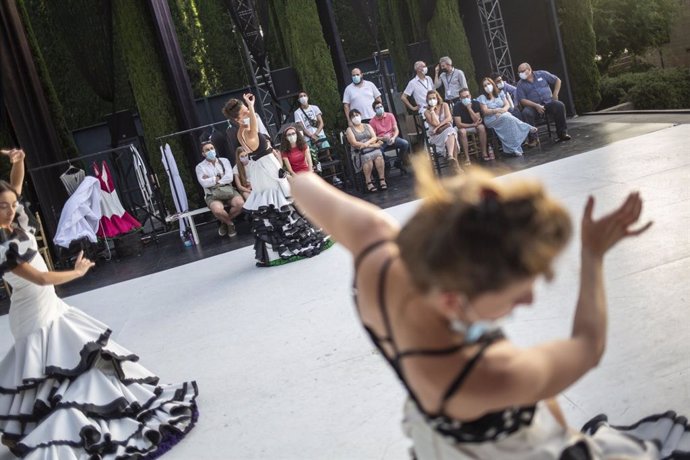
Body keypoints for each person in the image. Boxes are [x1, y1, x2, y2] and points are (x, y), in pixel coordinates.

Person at [287, 155, 690, 460]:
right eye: (517, 295)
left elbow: (303, 183)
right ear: (453, 299)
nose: (529, 300)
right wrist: (593, 254)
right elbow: (588, 345)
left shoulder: (379, 250)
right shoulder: (487, 374)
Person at [0, 148, 198, 457]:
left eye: (12, 205)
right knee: (52, 367)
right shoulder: (2, 245)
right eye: (3, 207)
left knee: (65, 364)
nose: (10, 210)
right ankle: (46, 427)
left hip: (49, 306)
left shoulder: (12, 221)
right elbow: (39, 278)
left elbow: (15, 187)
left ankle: (40, 424)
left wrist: (20, 161)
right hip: (32, 313)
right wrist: (76, 272)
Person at [223, 94, 332, 266]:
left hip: (266, 166)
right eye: (244, 110)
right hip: (266, 169)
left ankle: (288, 242)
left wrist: (249, 108)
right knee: (278, 204)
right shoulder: (244, 131)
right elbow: (254, 126)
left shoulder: (242, 130)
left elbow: (254, 124)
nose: (249, 111)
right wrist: (251, 106)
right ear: (238, 117)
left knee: (282, 202)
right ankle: (289, 245)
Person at [477, 77, 536, 156]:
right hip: (491, 119)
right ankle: (527, 127)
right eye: (485, 85)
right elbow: (485, 111)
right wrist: (496, 111)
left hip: (503, 115)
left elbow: (507, 105)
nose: (487, 86)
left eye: (488, 84)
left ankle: (514, 149)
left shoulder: (500, 93)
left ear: (492, 84)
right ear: (483, 88)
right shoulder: (482, 97)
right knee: (507, 116)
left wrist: (502, 111)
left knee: (508, 122)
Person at [195, 141, 243, 237]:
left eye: (212, 148)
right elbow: (203, 183)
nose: (210, 151)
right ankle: (230, 224)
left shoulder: (224, 161)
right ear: (203, 154)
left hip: (228, 189)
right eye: (207, 150)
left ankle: (224, 223)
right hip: (212, 193)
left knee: (240, 204)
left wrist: (214, 180)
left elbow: (229, 177)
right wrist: (218, 177)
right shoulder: (200, 167)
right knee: (217, 210)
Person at [515, 62, 571, 142]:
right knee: (526, 112)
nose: (521, 73)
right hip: (533, 107)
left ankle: (562, 133)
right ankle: (533, 139)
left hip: (548, 103)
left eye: (522, 71)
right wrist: (536, 106)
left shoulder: (542, 74)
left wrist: (555, 94)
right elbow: (522, 100)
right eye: (519, 72)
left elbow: (557, 80)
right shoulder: (520, 84)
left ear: (529, 69)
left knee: (559, 105)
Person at [345, 109, 386, 193]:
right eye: (353, 116)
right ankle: (368, 182)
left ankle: (382, 179)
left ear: (360, 115)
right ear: (351, 119)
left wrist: (367, 144)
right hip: (359, 151)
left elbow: (374, 137)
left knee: (378, 155)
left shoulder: (367, 125)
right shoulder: (349, 130)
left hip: (371, 147)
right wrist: (370, 145)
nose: (356, 117)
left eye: (357, 115)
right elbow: (354, 143)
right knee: (367, 157)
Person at [424, 90, 465, 167]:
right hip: (436, 135)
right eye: (430, 99)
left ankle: (451, 157)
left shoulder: (444, 105)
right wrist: (432, 111)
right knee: (452, 132)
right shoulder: (426, 112)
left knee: (451, 132)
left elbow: (449, 118)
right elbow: (435, 123)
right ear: (427, 100)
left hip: (445, 131)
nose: (432, 100)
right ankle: (455, 163)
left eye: (433, 98)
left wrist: (437, 127)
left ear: (437, 98)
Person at [369, 100, 410, 174]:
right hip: (381, 140)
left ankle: (398, 161)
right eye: (377, 108)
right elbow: (374, 137)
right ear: (374, 110)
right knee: (379, 151)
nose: (380, 108)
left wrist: (393, 137)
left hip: (392, 137)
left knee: (405, 143)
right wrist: (382, 138)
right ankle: (387, 163)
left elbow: (396, 129)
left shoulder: (390, 115)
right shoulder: (372, 122)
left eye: (381, 106)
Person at [452, 88, 493, 161]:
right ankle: (467, 157)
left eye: (467, 96)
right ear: (460, 98)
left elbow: (478, 120)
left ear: (470, 96)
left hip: (474, 124)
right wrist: (473, 125)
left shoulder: (475, 103)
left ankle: (484, 153)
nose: (466, 98)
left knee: (481, 128)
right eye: (463, 97)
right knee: (462, 132)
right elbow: (459, 124)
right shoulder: (456, 107)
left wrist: (469, 109)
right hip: (463, 126)